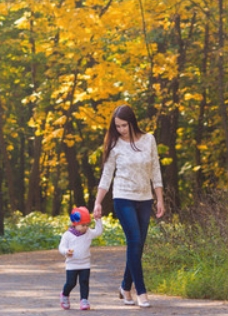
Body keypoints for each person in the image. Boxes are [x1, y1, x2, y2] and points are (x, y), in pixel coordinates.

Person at [93, 104, 165, 308]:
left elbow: (155, 170)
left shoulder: (149, 139)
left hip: (145, 198)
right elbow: (107, 176)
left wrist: (159, 198)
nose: (121, 129)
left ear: (132, 122)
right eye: (117, 126)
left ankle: (125, 286)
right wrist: (98, 202)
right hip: (123, 197)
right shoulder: (115, 145)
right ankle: (140, 291)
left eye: (124, 125)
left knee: (138, 245)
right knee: (133, 240)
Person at [58, 206, 103, 311]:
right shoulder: (67, 235)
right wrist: (66, 251)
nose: (85, 227)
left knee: (84, 282)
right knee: (71, 283)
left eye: (87, 225)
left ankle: (84, 300)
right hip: (72, 264)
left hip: (85, 263)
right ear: (75, 224)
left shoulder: (88, 233)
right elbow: (61, 247)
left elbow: (98, 232)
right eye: (83, 225)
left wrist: (98, 220)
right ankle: (64, 295)